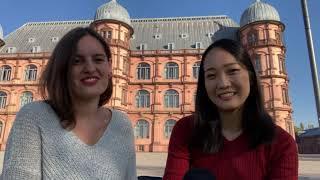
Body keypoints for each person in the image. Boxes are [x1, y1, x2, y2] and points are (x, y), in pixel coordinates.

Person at [1, 27, 137, 179]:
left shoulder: (122, 125)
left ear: (110, 66)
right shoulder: (33, 118)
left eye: (98, 59)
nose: (90, 68)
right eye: (77, 61)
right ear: (62, 68)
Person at [163, 39, 298, 180]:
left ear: (251, 76)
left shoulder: (282, 144)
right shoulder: (186, 130)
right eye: (211, 75)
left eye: (232, 71)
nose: (223, 84)